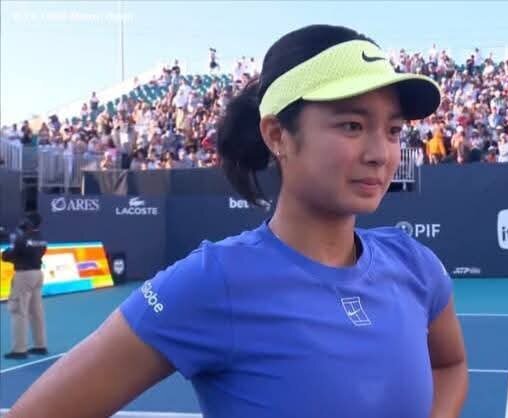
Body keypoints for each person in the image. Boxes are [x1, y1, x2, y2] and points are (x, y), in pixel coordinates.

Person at [6, 24, 468, 418]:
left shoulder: (415, 264)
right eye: (352, 125)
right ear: (277, 135)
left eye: (393, 130)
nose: (380, 153)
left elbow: (449, 365)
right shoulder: (213, 281)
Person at [2, 212, 48, 360]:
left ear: (28, 222)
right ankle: (40, 345)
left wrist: (6, 253)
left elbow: (9, 255)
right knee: (36, 311)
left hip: (24, 275)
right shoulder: (42, 238)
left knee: (18, 311)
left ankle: (19, 349)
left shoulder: (22, 238)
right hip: (37, 274)